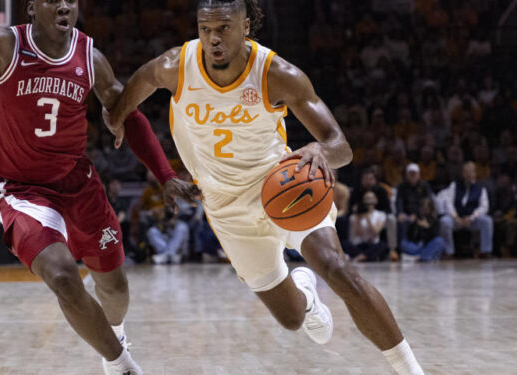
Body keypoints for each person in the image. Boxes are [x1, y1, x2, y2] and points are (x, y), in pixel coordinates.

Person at [108, 1, 424, 374]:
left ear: (246, 26)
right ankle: (306, 295)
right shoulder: (176, 66)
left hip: (282, 183)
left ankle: (411, 370)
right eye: (205, 29)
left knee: (337, 268)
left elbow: (342, 146)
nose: (213, 39)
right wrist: (115, 119)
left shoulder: (277, 74)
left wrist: (320, 150)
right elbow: (136, 87)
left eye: (223, 28)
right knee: (291, 318)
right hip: (225, 207)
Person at [0, 1, 197, 373]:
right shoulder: (4, 45)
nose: (64, 5)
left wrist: (165, 175)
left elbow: (125, 113)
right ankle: (122, 365)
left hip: (79, 185)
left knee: (114, 289)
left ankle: (114, 336)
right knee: (63, 276)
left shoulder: (89, 57)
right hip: (21, 190)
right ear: (32, 7)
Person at [438, 162, 493, 258]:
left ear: (475, 173)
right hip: (456, 219)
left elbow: (484, 207)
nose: (468, 175)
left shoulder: (480, 189)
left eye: (471, 172)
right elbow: (448, 203)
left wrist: (471, 217)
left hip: (471, 220)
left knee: (487, 221)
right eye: (466, 172)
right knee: (444, 221)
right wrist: (455, 217)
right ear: (462, 173)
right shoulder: (454, 186)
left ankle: (485, 251)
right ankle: (448, 252)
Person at [395, 163, 434, 247]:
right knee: (401, 222)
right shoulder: (402, 187)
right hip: (406, 215)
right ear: (406, 175)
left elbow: (427, 203)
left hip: (421, 214)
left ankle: (424, 246)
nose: (412, 176)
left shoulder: (425, 186)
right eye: (410, 174)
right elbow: (399, 201)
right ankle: (403, 247)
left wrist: (416, 215)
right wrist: (400, 213)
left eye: (414, 174)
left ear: (419, 175)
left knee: (427, 222)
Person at [399, 198, 445, 262]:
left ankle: (420, 257)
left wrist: (427, 227)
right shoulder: (417, 218)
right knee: (403, 243)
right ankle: (424, 256)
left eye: (427, 209)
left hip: (427, 245)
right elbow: (411, 236)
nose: (425, 211)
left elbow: (435, 236)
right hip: (416, 245)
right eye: (424, 209)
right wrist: (413, 224)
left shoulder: (435, 221)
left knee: (440, 241)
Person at [348, 191, 388, 262]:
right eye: (367, 199)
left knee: (383, 245)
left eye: (371, 198)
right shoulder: (355, 216)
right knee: (345, 244)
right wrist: (358, 217)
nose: (369, 201)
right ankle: (367, 257)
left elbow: (376, 232)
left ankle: (361, 256)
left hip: (373, 244)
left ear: (376, 200)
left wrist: (368, 218)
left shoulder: (381, 215)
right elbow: (358, 233)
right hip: (360, 244)